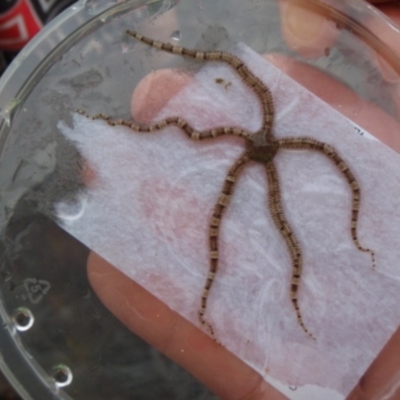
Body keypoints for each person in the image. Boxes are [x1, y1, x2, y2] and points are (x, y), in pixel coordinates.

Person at [86, 1, 400, 399]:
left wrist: (357, 233)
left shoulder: (276, 142)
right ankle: (212, 299)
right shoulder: (258, 139)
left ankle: (230, 301)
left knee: (282, 229)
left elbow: (345, 174)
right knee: (260, 223)